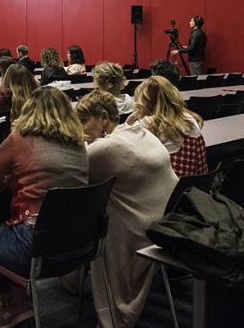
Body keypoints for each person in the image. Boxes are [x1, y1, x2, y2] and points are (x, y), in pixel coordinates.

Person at [0, 87, 88, 327]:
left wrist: (8, 178)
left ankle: (15, 301)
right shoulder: (78, 146)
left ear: (28, 111)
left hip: (35, 246)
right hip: (80, 245)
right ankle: (16, 299)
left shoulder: (19, 139)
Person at [75, 90, 178, 328]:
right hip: (167, 221)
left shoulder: (104, 149)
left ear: (103, 118)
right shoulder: (144, 133)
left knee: (84, 209)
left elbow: (73, 177)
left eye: (83, 121)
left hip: (139, 234)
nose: (80, 127)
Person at [128, 76, 207, 176]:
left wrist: (129, 122)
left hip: (164, 186)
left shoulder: (147, 123)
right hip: (191, 183)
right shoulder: (190, 119)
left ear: (145, 101)